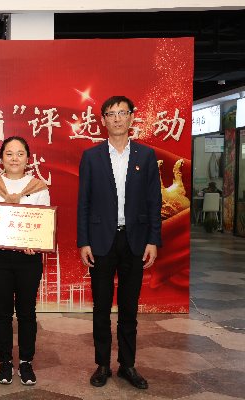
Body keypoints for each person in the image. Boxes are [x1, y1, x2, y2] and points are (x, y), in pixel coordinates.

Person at [77, 95, 162, 390]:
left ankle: (127, 365)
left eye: (122, 113)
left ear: (131, 117)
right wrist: (84, 241)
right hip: (101, 240)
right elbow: (84, 202)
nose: (117, 118)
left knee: (129, 308)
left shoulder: (145, 155)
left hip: (135, 240)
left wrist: (153, 239)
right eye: (111, 114)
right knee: (101, 308)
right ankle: (102, 365)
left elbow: (154, 201)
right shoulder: (91, 156)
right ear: (103, 120)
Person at [0, 136, 50, 386]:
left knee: (27, 312)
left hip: (29, 258)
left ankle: (26, 362)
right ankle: (5, 362)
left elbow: (44, 222)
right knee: (3, 312)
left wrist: (35, 243)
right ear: (1, 159)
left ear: (28, 158)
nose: (14, 158)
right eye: (9, 153)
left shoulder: (39, 188)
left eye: (20, 154)